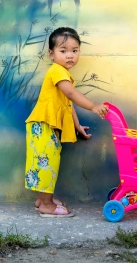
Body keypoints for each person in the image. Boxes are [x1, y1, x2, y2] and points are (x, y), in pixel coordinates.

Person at [24, 27, 109, 217]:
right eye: (63, 51)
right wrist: (93, 106)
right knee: (46, 164)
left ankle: (42, 199)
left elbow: (67, 104)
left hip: (46, 125)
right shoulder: (57, 71)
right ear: (51, 54)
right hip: (43, 124)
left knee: (47, 163)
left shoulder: (62, 73)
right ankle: (46, 205)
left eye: (74, 50)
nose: (69, 55)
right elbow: (71, 94)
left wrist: (77, 126)